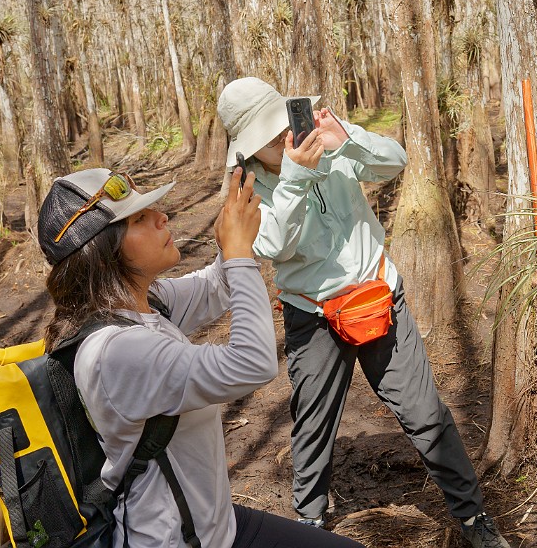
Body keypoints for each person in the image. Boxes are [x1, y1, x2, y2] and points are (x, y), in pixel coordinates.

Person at [217, 76, 511, 548]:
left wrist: (347, 139)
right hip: (312, 316)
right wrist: (296, 174)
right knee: (313, 427)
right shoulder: (247, 185)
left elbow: (396, 162)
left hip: (377, 295)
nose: (282, 139)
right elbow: (272, 243)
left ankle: (474, 518)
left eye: (280, 128)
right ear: (248, 146)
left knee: (426, 414)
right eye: (268, 138)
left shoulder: (325, 141)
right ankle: (309, 525)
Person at [37, 167, 364, 548]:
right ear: (103, 251)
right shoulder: (116, 351)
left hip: (218, 526)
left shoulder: (144, 303)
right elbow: (252, 364)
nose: (163, 217)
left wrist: (234, 235)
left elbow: (216, 285)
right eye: (140, 218)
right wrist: (239, 254)